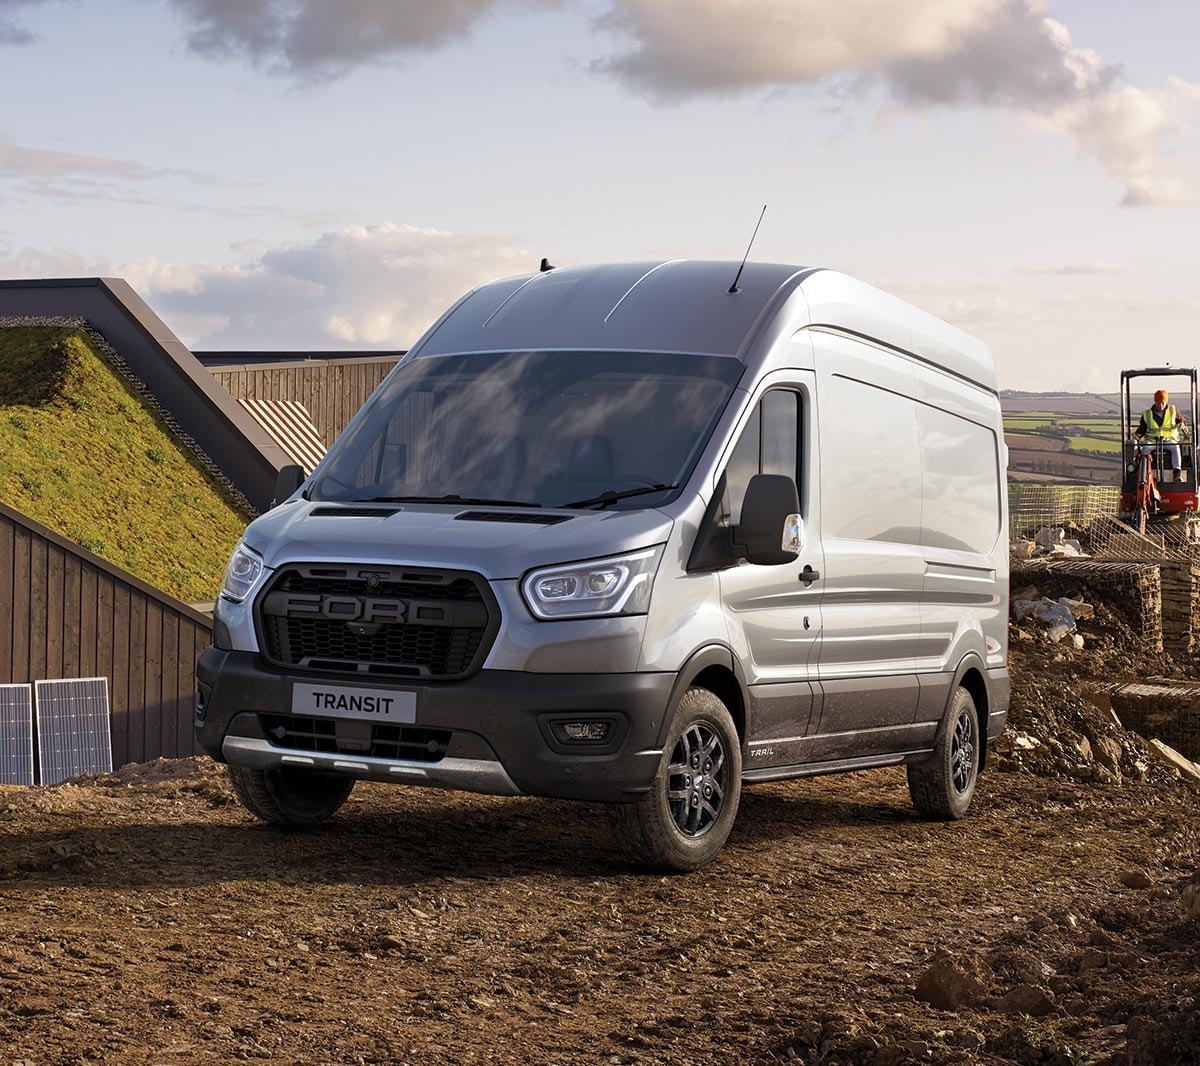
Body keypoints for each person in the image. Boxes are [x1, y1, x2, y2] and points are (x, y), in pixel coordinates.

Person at [1134, 389, 1187, 479]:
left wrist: (1182, 423)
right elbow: (1142, 428)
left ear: (1166, 402)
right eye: (1158, 403)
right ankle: (1144, 474)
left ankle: (1177, 473)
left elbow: (1181, 420)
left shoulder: (1173, 410)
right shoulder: (1147, 414)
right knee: (1145, 449)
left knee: (1175, 448)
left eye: (1163, 402)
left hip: (1169, 440)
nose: (1160, 405)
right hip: (1153, 441)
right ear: (1155, 402)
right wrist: (1137, 435)